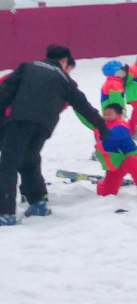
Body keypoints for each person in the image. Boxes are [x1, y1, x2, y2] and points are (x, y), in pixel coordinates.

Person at [0, 45, 110, 226]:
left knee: (9, 165)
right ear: (65, 61)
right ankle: (38, 203)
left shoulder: (27, 67)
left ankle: (6, 213)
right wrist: (102, 127)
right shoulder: (65, 81)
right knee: (29, 160)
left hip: (19, 120)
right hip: (44, 127)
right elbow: (83, 106)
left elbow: (5, 92)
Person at [93, 103, 137, 203]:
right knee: (107, 194)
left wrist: (101, 131)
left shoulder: (122, 125)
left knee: (134, 163)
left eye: (109, 114)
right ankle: (102, 185)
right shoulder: (100, 126)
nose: (106, 116)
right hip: (114, 162)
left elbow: (113, 136)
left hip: (127, 156)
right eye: (105, 114)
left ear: (119, 115)